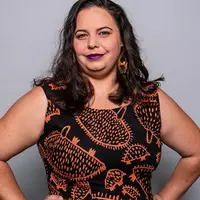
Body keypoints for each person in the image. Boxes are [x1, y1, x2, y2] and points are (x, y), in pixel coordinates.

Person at [0, 0, 199, 199]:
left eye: (104, 32)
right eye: (82, 35)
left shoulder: (149, 99)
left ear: (122, 39)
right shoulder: (47, 100)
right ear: (72, 44)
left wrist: (165, 197)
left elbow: (196, 152)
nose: (92, 43)